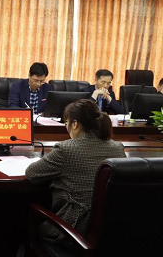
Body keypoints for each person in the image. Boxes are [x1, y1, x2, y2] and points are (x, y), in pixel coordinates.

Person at [24, 99, 125, 256]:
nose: (67, 127)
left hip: (72, 232)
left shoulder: (66, 149)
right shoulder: (117, 148)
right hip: (109, 232)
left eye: (67, 123)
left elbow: (32, 174)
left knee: (22, 228)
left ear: (75, 124)